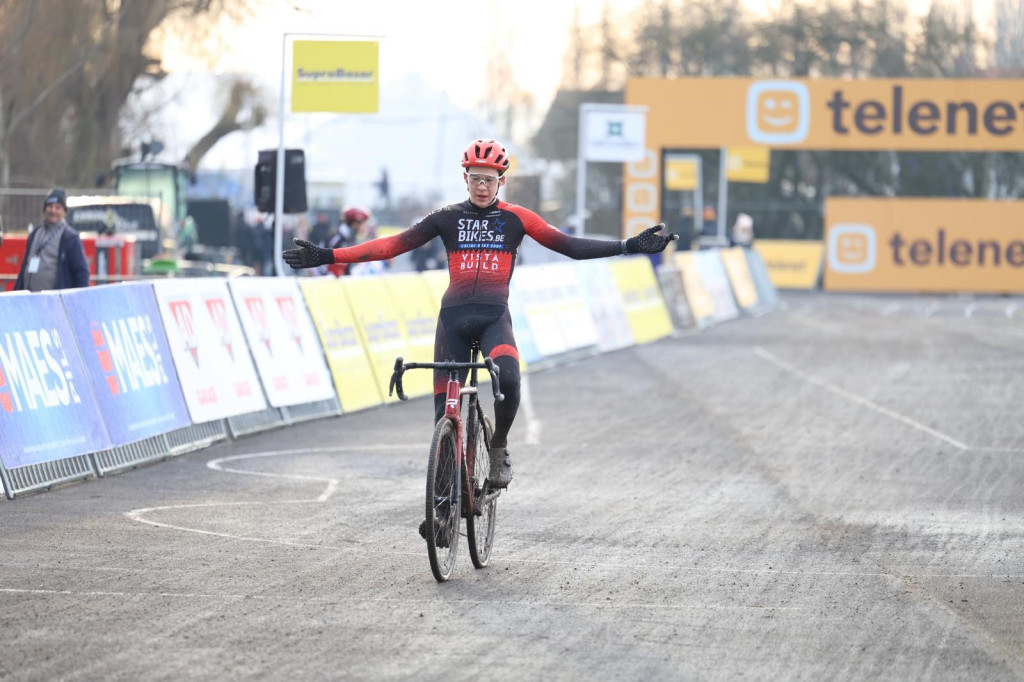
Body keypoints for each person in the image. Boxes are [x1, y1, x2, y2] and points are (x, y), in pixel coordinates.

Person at [284, 138, 676, 493]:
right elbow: (391, 245)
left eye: (489, 179)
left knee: (508, 377)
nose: (482, 186)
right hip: (452, 320)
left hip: (493, 319)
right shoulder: (446, 217)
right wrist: (327, 255)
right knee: (443, 420)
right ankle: (442, 505)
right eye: (475, 178)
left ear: (501, 181)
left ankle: (499, 446)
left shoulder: (517, 219)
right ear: (465, 178)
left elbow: (569, 245)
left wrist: (627, 245)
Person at [14, 188, 90, 291]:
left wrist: (78, 300)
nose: (53, 210)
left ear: (64, 211)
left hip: (55, 303)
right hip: (30, 299)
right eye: (50, 206)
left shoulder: (70, 238)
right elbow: (24, 267)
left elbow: (82, 273)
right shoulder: (35, 233)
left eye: (57, 207)